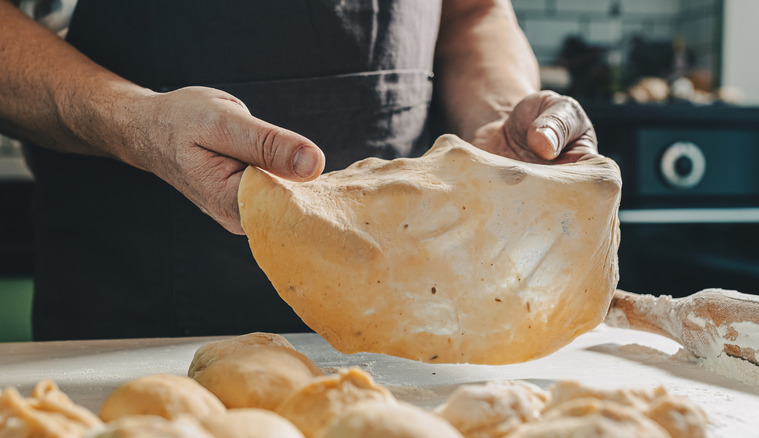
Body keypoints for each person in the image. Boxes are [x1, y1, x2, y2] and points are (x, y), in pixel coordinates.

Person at [0, 0, 599, 341]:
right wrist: (135, 120)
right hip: (138, 303)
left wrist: (498, 117)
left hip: (419, 313)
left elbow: (474, 14)